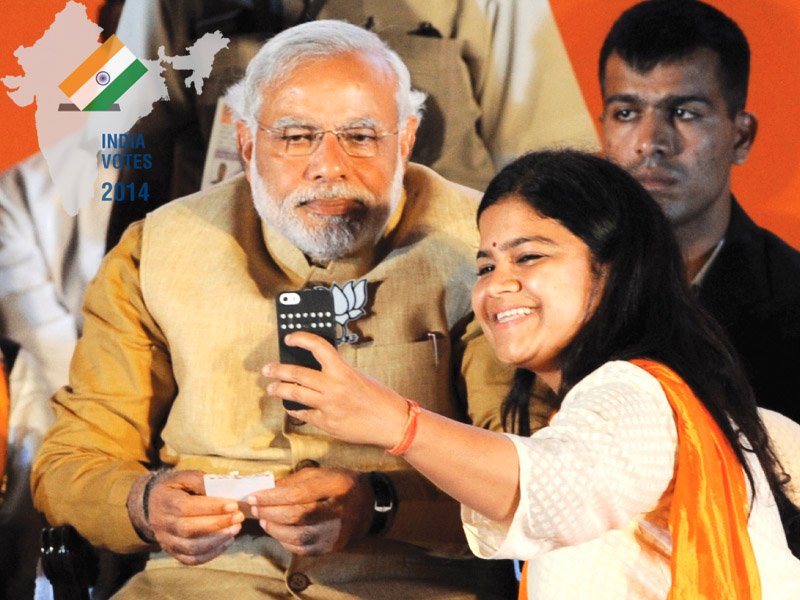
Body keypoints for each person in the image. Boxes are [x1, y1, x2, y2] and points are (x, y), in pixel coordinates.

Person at [32, 20, 517, 599]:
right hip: (198, 584)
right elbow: (72, 462)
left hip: (409, 581)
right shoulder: (154, 251)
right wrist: (143, 503)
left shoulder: (486, 250)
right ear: (245, 142)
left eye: (361, 136)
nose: (328, 165)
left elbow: (531, 472)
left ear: (407, 139)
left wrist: (381, 504)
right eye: (294, 136)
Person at [264, 150, 800, 598]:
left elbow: (546, 489)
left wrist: (394, 422)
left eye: (530, 257)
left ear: (611, 271)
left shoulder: (634, 391)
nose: (497, 285)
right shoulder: (687, 402)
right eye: (486, 266)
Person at [598, 0, 800, 424]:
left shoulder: (792, 300)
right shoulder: (555, 283)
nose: (651, 141)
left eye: (684, 112)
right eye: (627, 113)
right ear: (603, 130)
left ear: (741, 136)